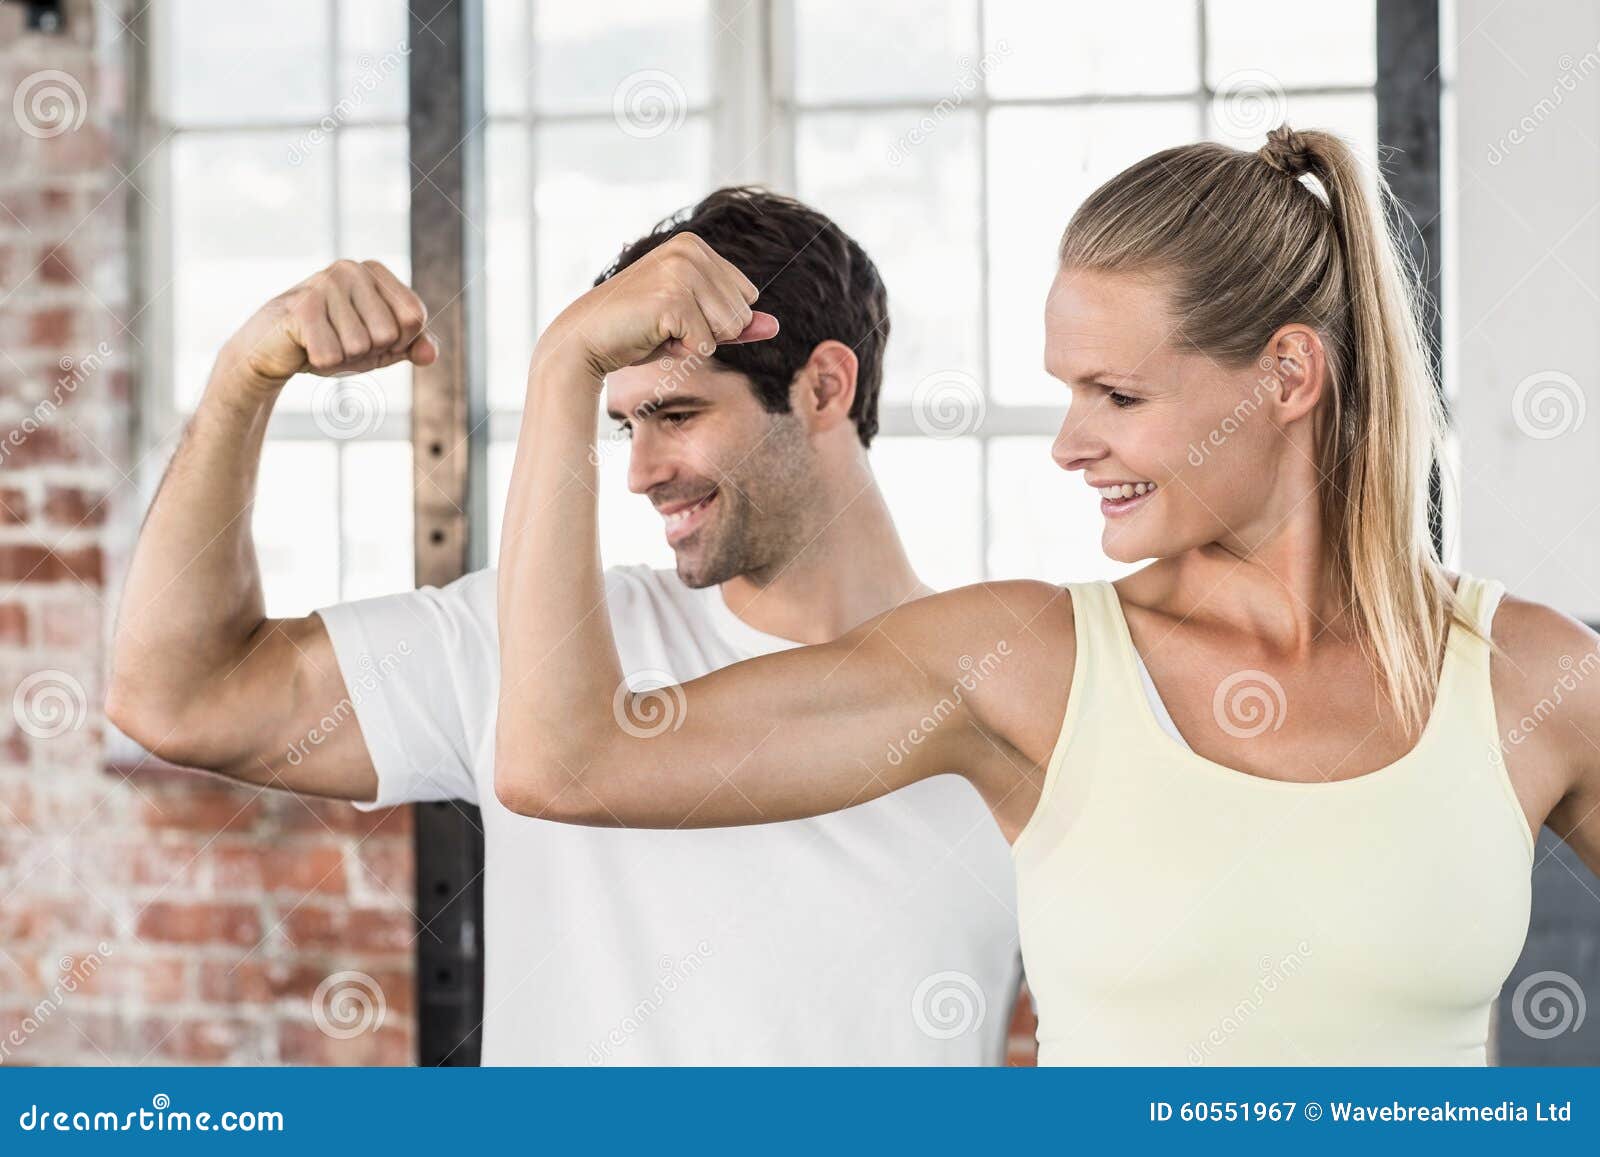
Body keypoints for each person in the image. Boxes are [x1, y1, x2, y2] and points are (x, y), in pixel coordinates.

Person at [493, 126, 1600, 1065]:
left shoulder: (1531, 675)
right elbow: (566, 760)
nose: (1071, 444)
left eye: (1116, 393)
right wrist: (562, 371)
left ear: (1286, 376)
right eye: (1066, 391)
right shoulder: (1023, 663)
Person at [106, 188, 1023, 1065]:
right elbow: (181, 694)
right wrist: (242, 379)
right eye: (625, 425)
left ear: (824, 388)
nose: (642, 471)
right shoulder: (544, 646)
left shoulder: (1019, 700)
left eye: (677, 413)